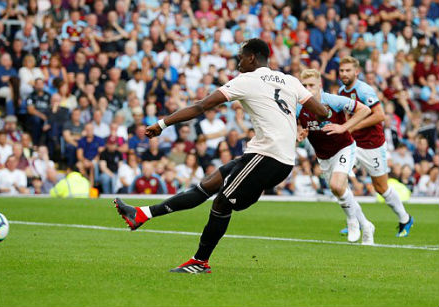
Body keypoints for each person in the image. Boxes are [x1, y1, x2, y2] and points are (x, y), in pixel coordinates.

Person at [114, 38, 329, 273]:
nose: (237, 62)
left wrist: (162, 123)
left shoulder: (246, 80)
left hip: (268, 156)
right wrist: (300, 126)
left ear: (252, 58)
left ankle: (200, 262)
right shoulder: (290, 80)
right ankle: (142, 214)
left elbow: (200, 107)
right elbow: (321, 112)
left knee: (222, 202)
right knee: (208, 185)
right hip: (272, 156)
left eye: (240, 57)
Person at [338, 56, 413, 237]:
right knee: (339, 182)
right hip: (353, 144)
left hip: (373, 145)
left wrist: (353, 126)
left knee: (381, 188)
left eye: (348, 70)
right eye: (341, 70)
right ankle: (355, 221)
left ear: (357, 72)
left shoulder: (364, 90)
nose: (344, 74)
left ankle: (405, 218)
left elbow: (379, 115)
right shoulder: (341, 91)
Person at [297, 69, 374, 244]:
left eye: (311, 85)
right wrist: (299, 133)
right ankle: (367, 225)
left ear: (319, 85)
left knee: (336, 186)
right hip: (323, 156)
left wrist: (343, 127)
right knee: (340, 191)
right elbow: (296, 125)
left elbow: (365, 110)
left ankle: (352, 222)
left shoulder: (332, 100)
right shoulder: (299, 106)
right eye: (304, 86)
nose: (308, 89)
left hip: (343, 147)